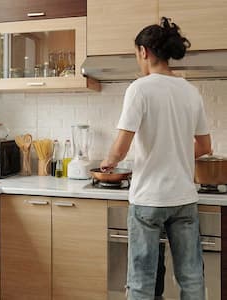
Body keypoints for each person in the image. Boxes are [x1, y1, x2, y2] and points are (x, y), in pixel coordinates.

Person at [100, 17, 211, 300]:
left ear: (144, 52)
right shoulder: (190, 92)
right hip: (184, 198)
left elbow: (121, 147)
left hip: (148, 199)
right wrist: (175, 153)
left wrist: (108, 162)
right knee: (192, 278)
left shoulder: (140, 88)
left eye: (136, 54)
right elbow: (205, 146)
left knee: (141, 281)